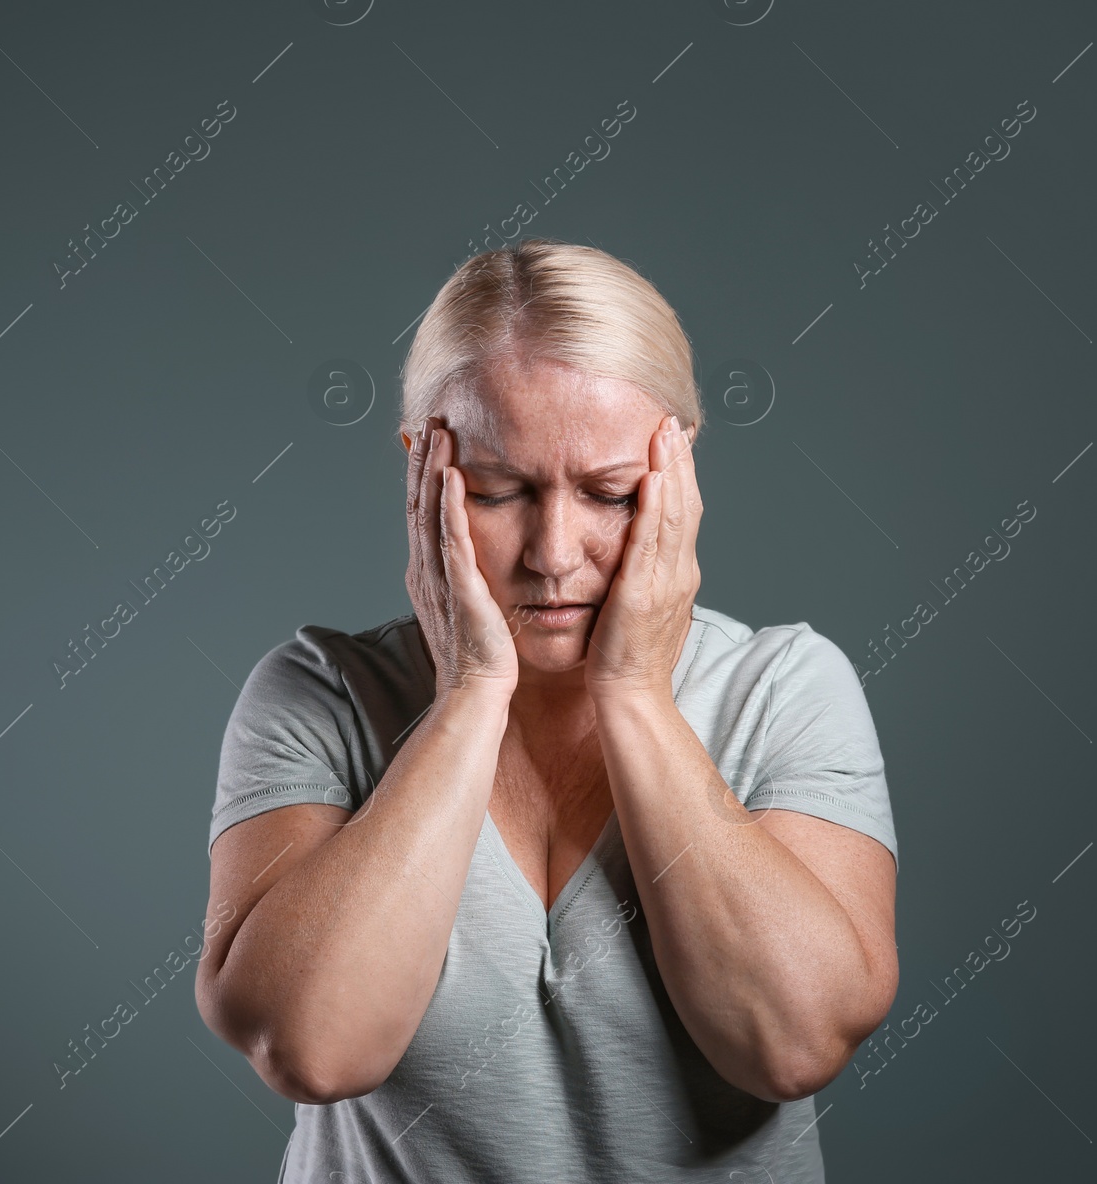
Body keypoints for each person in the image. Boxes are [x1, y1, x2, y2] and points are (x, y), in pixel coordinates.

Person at [194, 238, 900, 1182]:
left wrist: (635, 695)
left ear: (680, 470)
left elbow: (792, 1044)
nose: (553, 553)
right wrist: (468, 699)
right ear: (420, 470)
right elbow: (312, 1050)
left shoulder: (787, 689)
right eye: (498, 491)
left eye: (610, 493)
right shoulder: (316, 694)